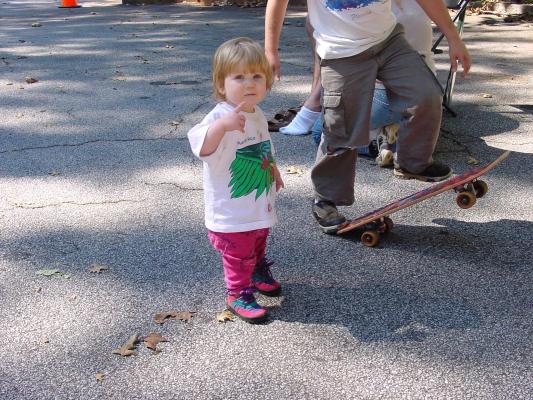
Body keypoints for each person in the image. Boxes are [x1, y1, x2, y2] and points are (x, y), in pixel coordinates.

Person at [265, 0, 471, 233]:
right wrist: (270, 49)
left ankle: (413, 163)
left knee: (426, 95)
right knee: (340, 128)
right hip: (341, 52)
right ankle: (325, 200)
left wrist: (454, 38)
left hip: (388, 41)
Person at [187, 37, 284, 323]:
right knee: (238, 251)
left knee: (257, 239)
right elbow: (201, 147)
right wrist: (221, 126)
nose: (249, 83)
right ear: (221, 85)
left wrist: (274, 171)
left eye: (257, 76)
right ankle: (237, 292)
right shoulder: (219, 116)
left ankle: (256, 270)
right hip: (231, 207)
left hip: (256, 201)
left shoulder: (258, 113)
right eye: (239, 77)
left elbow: (264, 145)